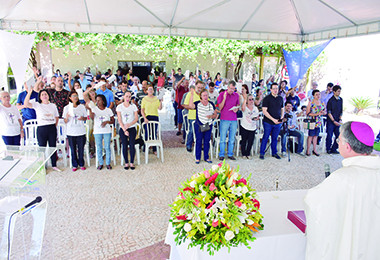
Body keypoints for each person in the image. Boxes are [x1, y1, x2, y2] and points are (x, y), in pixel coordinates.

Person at [304, 121, 380, 260]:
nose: (337, 142)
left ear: (347, 146)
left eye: (339, 139)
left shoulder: (342, 178)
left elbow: (315, 204)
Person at [24, 78, 60, 171]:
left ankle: (54, 165)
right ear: (40, 97)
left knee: (52, 146)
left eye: (46, 94)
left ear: (48, 96)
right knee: (42, 148)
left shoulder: (53, 105)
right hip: (41, 129)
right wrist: (30, 92)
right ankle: (43, 166)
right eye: (42, 94)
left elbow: (56, 117)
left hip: (51, 127)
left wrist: (53, 126)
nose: (44, 96)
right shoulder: (37, 105)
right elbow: (26, 103)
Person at [189, 89, 217, 164]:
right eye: (204, 95)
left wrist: (211, 116)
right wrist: (192, 95)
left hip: (208, 125)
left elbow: (215, 115)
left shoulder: (211, 104)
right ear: (200, 96)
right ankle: (198, 158)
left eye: (206, 95)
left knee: (206, 141)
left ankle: (206, 157)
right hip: (199, 125)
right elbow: (191, 106)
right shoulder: (198, 103)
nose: (205, 97)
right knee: (198, 141)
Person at [87, 94, 114, 170]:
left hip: (106, 131)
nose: (97, 102)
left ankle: (108, 163)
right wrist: (90, 110)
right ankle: (101, 163)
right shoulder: (94, 109)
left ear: (103, 101)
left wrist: (107, 122)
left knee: (107, 147)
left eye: (99, 100)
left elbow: (113, 120)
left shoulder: (108, 110)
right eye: (96, 100)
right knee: (99, 147)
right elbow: (92, 118)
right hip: (97, 131)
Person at [63, 91, 87, 171]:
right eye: (73, 96)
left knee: (81, 149)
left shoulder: (82, 107)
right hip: (71, 132)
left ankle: (81, 163)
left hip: (80, 131)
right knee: (73, 150)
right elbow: (65, 121)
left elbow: (86, 118)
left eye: (76, 95)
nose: (75, 97)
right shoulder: (66, 108)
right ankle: (74, 164)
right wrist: (67, 117)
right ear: (70, 98)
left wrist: (82, 118)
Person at [259, 83, 284, 160]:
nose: (275, 90)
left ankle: (274, 152)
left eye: (277, 88)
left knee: (275, 138)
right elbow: (264, 111)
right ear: (270, 90)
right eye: (274, 88)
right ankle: (262, 153)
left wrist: (281, 118)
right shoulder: (267, 98)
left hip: (278, 122)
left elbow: (282, 109)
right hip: (268, 122)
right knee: (265, 137)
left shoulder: (280, 98)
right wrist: (273, 120)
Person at [217, 80, 240, 161]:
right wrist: (224, 98)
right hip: (224, 119)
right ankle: (222, 154)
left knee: (232, 138)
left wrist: (236, 109)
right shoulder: (222, 94)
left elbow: (238, 105)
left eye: (233, 89)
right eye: (230, 88)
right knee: (223, 138)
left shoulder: (236, 95)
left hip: (233, 119)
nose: (232, 90)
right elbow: (220, 107)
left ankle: (230, 154)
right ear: (227, 87)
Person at [116, 91, 139, 170]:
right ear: (123, 97)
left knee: (132, 145)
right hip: (123, 128)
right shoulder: (119, 107)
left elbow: (136, 118)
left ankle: (132, 162)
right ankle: (126, 162)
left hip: (132, 128)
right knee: (124, 145)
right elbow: (119, 119)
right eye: (126, 96)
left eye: (129, 96)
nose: (128, 98)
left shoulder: (133, 107)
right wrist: (124, 129)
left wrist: (129, 124)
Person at [183, 81, 204, 152]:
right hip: (192, 116)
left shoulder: (203, 94)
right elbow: (185, 105)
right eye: (198, 87)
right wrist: (192, 108)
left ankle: (199, 145)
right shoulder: (190, 94)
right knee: (192, 131)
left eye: (201, 88)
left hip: (201, 117)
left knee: (201, 131)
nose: (200, 89)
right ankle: (189, 145)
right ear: (195, 86)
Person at [141, 85, 163, 154]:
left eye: (151, 89)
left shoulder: (156, 98)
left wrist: (161, 101)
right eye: (149, 89)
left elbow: (159, 108)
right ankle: (145, 148)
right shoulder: (144, 99)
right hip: (147, 117)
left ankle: (154, 149)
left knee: (154, 133)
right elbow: (142, 110)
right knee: (147, 133)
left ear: (153, 91)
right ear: (147, 91)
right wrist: (144, 118)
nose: (150, 91)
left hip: (155, 117)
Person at [306, 89, 326, 156]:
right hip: (312, 121)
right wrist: (317, 114)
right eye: (316, 94)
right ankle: (308, 150)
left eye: (319, 94)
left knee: (316, 136)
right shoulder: (311, 103)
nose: (318, 96)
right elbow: (308, 113)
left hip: (319, 121)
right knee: (310, 136)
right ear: (313, 96)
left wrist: (323, 113)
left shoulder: (322, 102)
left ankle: (314, 149)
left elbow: (324, 111)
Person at [240, 91, 259, 159]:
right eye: (250, 99)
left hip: (252, 127)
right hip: (244, 126)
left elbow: (257, 116)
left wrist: (256, 118)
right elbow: (242, 109)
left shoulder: (255, 108)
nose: (251, 101)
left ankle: (248, 153)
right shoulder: (245, 107)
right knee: (244, 140)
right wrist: (245, 99)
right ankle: (243, 153)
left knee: (250, 141)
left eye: (252, 99)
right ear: (247, 101)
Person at [326, 85, 343, 154]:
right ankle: (328, 148)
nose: (339, 92)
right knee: (329, 135)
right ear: (334, 91)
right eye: (338, 91)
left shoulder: (340, 99)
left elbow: (341, 111)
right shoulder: (330, 100)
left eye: (340, 91)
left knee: (338, 135)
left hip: (337, 120)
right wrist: (333, 121)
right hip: (331, 120)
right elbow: (329, 112)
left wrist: (340, 119)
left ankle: (334, 148)